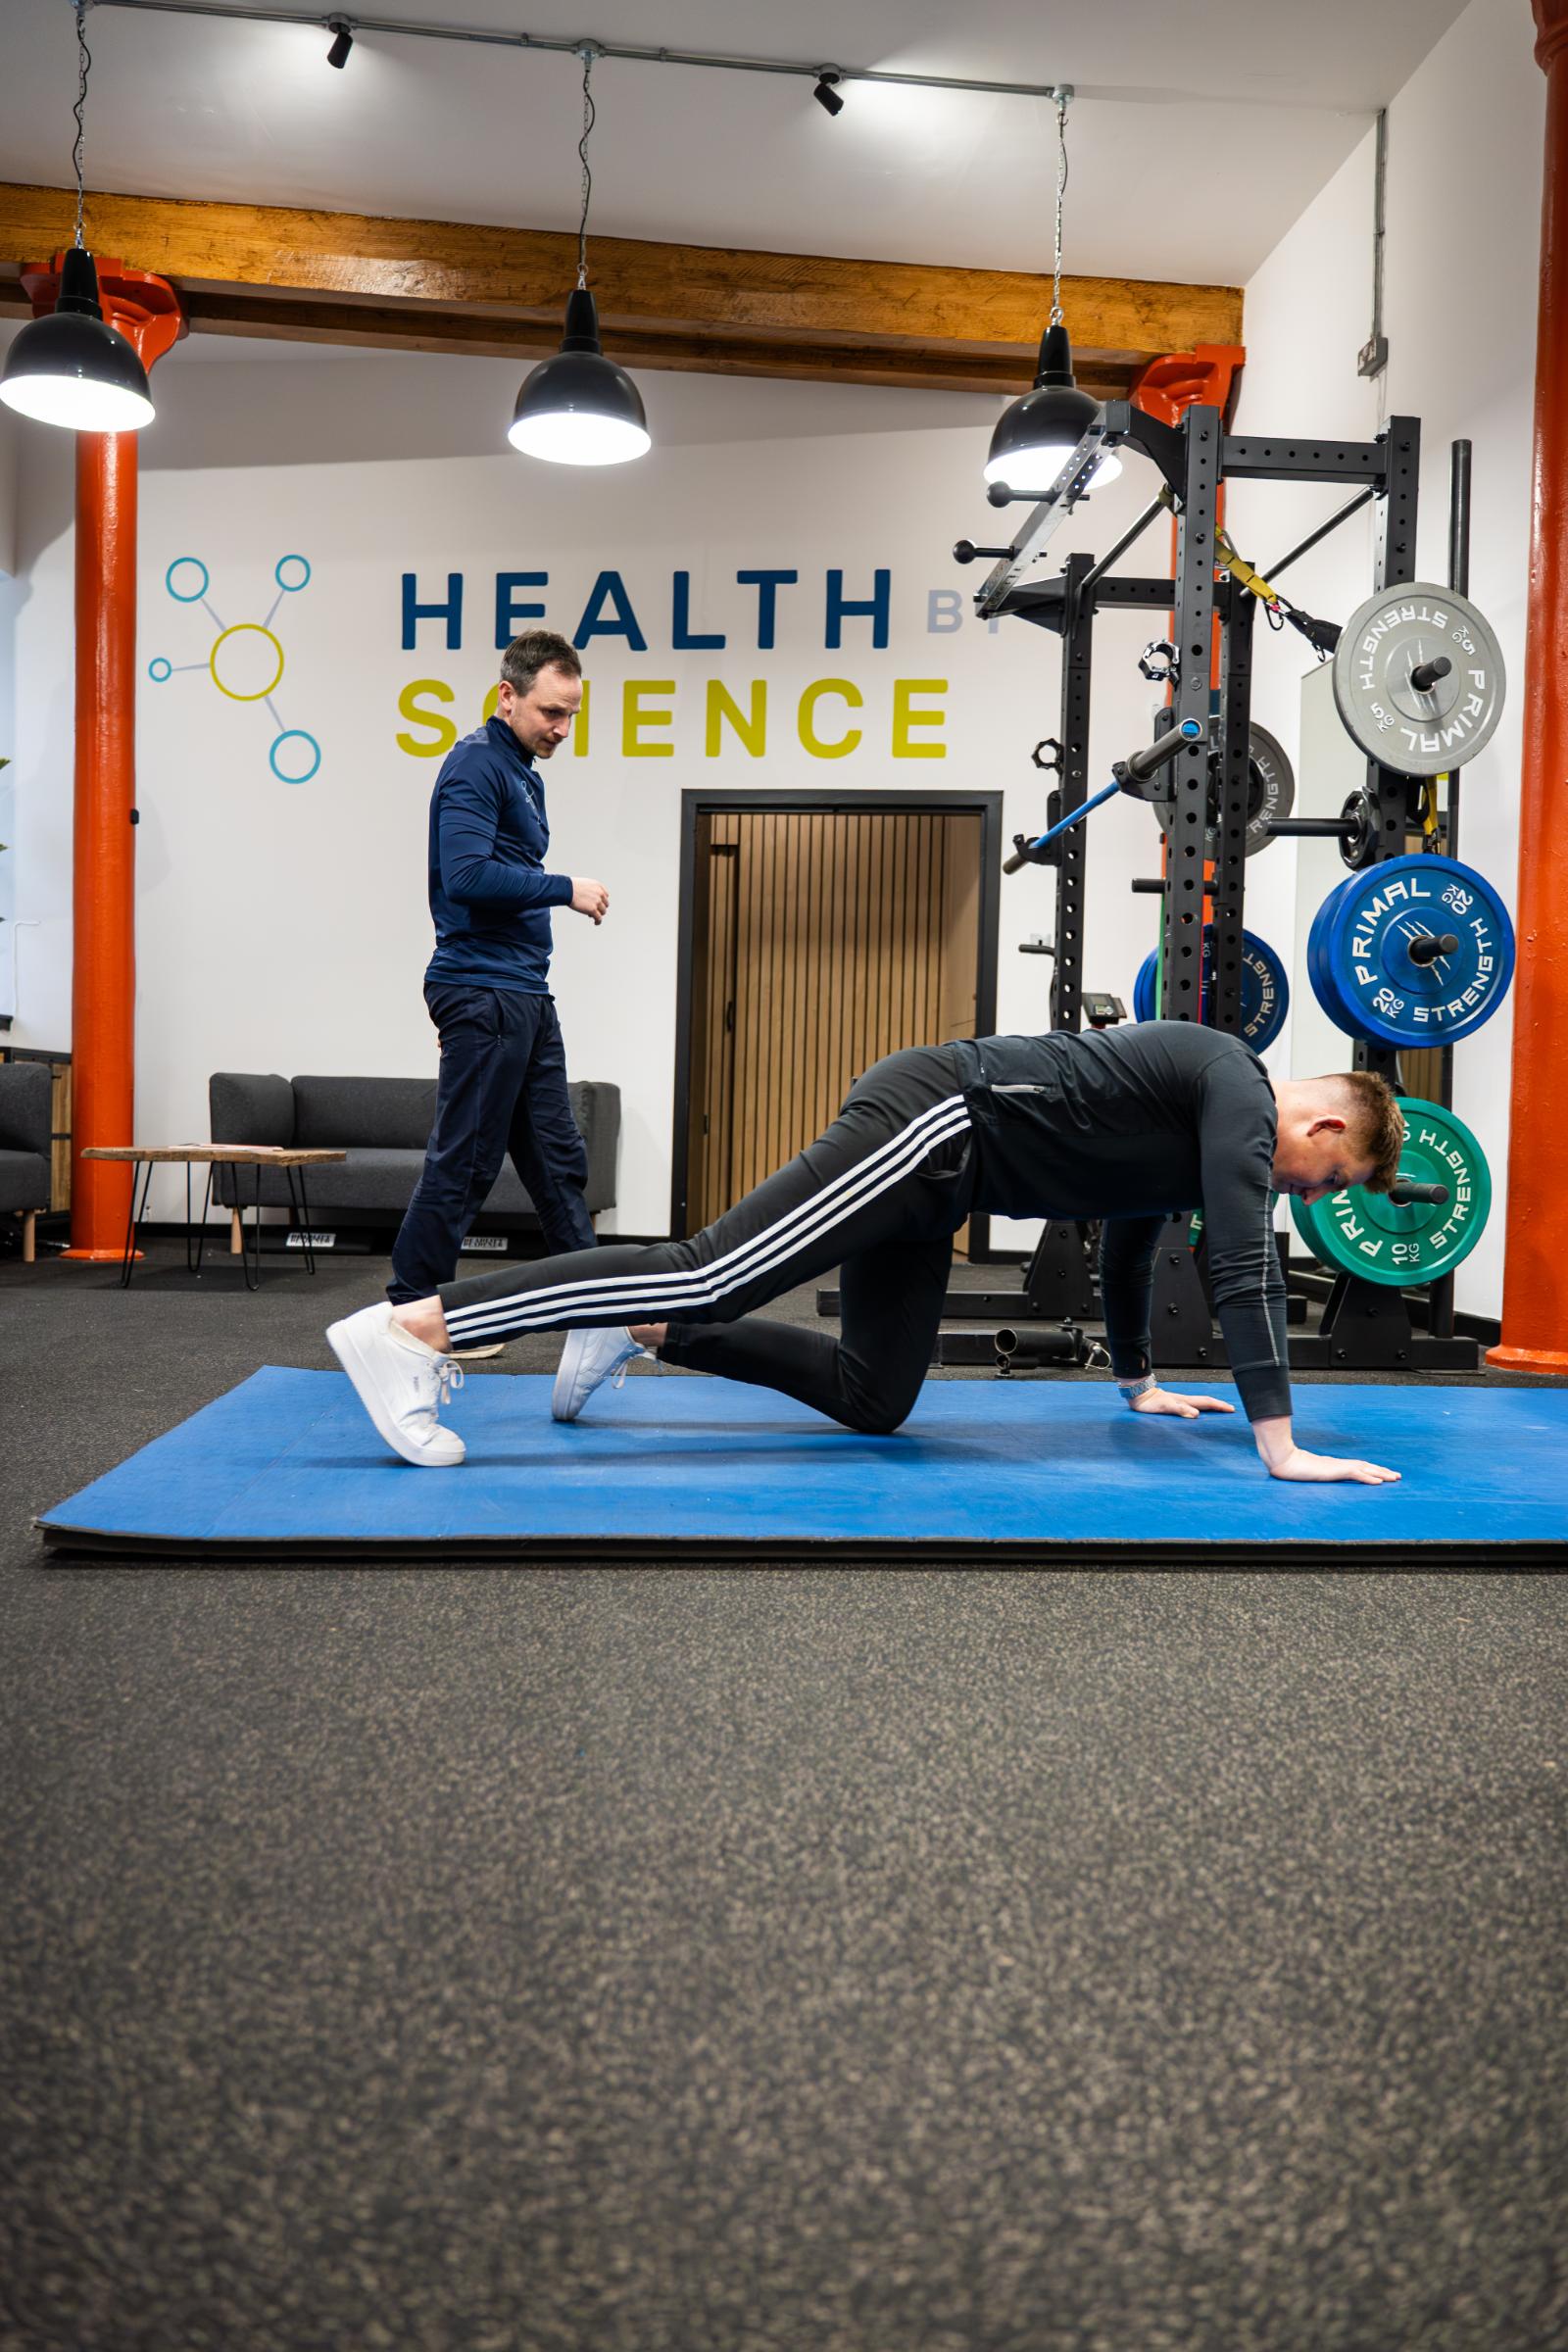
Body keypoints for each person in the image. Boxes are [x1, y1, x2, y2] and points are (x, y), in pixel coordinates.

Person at [329, 1021, 1407, 1485]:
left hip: (949, 1184)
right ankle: (414, 1329)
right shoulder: (1232, 1082)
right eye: (1326, 1181)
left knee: (875, 1393)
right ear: (1319, 1132)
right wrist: (1280, 1443)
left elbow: (1130, 1251)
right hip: (937, 1117)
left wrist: (1138, 1381)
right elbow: (1240, 1266)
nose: (1307, 1197)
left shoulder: (1208, 1132)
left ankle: (641, 1323)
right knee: (716, 1264)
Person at [387, 629, 609, 1327]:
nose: (562, 728)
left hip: (523, 992)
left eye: (571, 713)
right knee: (467, 1163)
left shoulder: (521, 773)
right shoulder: (475, 765)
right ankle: (409, 1316)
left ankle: (596, 1315)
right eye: (551, 712)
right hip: (481, 989)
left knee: (557, 1161)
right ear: (506, 695)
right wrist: (562, 885)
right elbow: (467, 875)